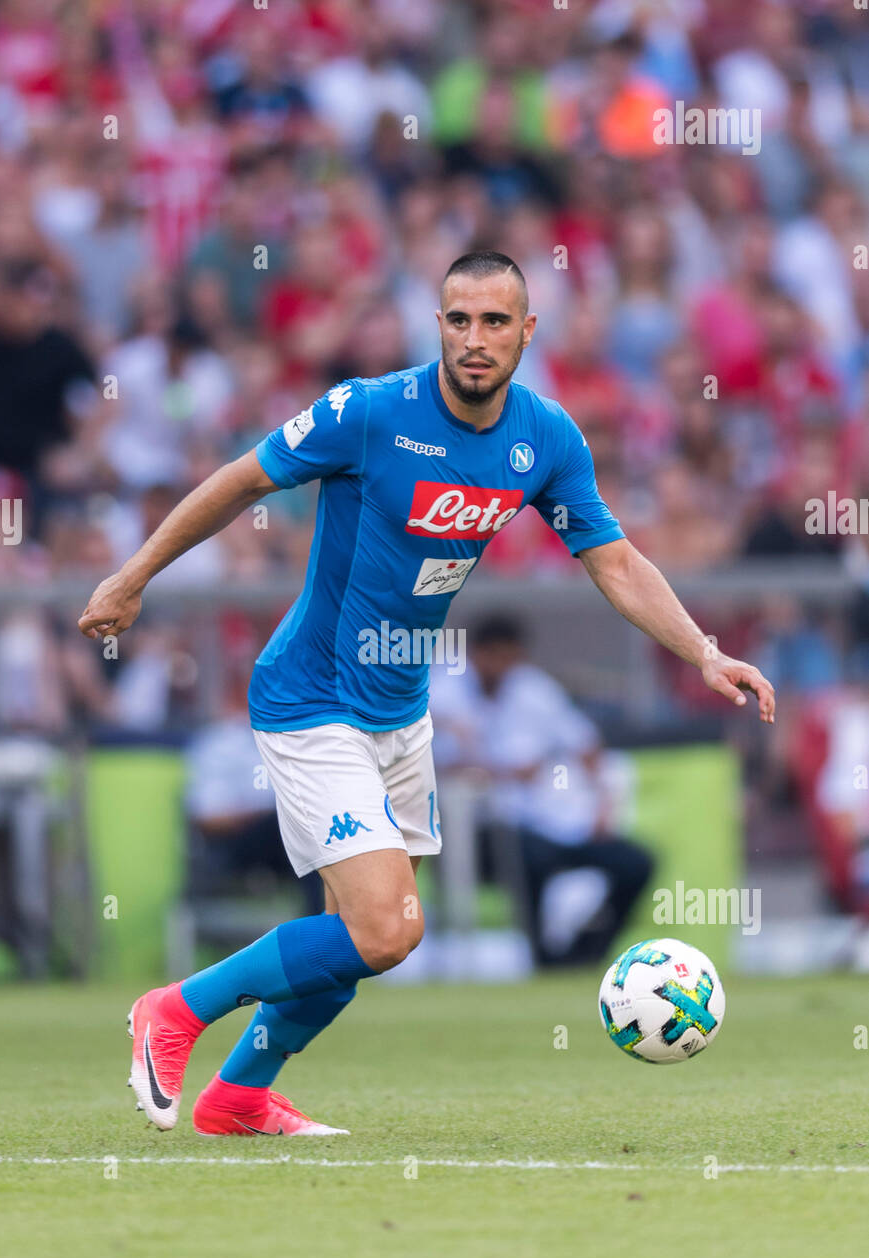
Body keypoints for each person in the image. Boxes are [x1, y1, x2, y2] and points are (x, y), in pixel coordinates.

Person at [78, 251, 775, 1138]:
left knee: (358, 937)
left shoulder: (546, 438)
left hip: (400, 710)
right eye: (458, 320)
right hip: (312, 696)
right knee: (385, 931)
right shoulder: (369, 412)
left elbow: (615, 561)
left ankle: (240, 1094)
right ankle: (174, 1009)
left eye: (494, 322)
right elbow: (242, 479)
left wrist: (704, 652)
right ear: (436, 325)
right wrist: (134, 577)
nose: (474, 340)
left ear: (527, 332)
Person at [430, 617, 655, 967]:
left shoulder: (535, 690)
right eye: (495, 657)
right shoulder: (443, 693)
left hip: (552, 821)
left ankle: (584, 956)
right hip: (482, 830)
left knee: (636, 863)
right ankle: (542, 960)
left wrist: (603, 805)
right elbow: (437, 766)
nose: (502, 668)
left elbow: (587, 746)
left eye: (510, 658)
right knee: (530, 858)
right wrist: (504, 772)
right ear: (476, 654)